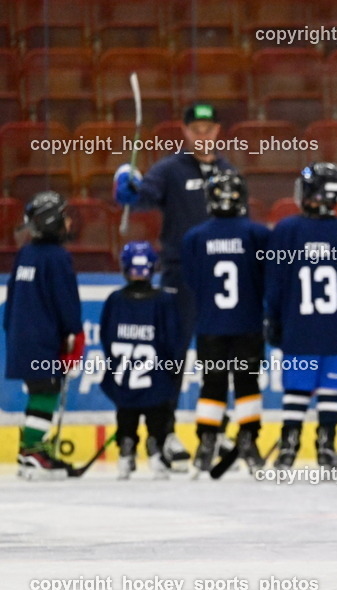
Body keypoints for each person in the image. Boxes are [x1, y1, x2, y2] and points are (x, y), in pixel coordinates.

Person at [113, 102, 235, 468]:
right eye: (196, 129)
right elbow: (141, 196)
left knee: (219, 356)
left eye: (209, 128)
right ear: (185, 131)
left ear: (217, 130)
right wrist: (127, 187)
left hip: (218, 278)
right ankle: (164, 433)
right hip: (180, 275)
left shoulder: (227, 171)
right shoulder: (169, 169)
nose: (202, 134)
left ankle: (214, 430)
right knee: (171, 357)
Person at [264, 163, 337, 470]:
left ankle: (289, 446)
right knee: (331, 389)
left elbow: (275, 283)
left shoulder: (287, 229)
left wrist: (272, 318)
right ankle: (326, 446)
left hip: (299, 328)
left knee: (296, 390)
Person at [181, 171, 270, 476]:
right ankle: (248, 441)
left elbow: (193, 282)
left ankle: (207, 442)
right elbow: (265, 280)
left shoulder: (194, 237)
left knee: (212, 384)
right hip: (247, 324)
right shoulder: (257, 234)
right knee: (247, 384)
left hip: (211, 326)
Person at [4, 192, 83, 480]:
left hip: (22, 339)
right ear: (52, 222)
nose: (69, 220)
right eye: (64, 215)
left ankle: (29, 453)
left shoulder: (25, 253)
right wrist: (74, 332)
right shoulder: (58, 257)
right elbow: (66, 302)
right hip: (43, 342)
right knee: (47, 393)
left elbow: (11, 301)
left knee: (39, 393)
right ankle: (34, 452)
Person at [100, 242, 178, 480]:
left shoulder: (115, 300)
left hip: (124, 379)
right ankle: (155, 447)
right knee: (158, 414)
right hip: (154, 379)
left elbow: (106, 337)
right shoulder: (163, 300)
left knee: (126, 413)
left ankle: (126, 447)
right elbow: (172, 339)